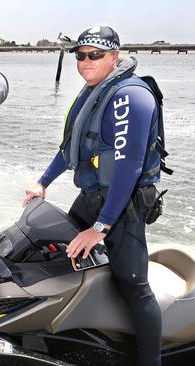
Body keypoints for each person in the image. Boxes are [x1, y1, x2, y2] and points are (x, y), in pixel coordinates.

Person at [23, 26, 166, 366]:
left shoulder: (130, 97)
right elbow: (71, 147)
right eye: (81, 54)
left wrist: (99, 228)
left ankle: (151, 361)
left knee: (134, 285)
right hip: (92, 196)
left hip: (124, 205)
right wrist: (43, 182)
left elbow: (128, 168)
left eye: (95, 54)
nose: (85, 61)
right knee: (57, 257)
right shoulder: (94, 90)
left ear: (115, 57)